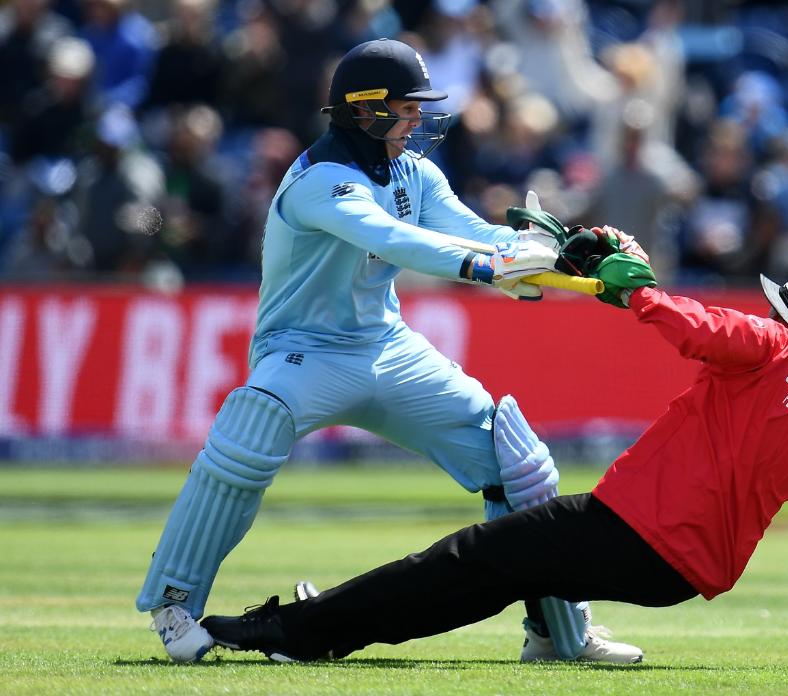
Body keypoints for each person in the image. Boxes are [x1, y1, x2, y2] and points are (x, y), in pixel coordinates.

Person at [138, 38, 642, 665]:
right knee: (249, 432)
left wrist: (559, 252)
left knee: (518, 463)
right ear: (366, 110)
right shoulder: (318, 183)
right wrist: (492, 267)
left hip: (385, 345)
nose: (416, 122)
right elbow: (395, 239)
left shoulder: (414, 172)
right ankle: (175, 605)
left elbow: (476, 232)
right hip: (302, 351)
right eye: (405, 110)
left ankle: (558, 633)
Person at [198, 258, 788, 662]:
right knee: (495, 573)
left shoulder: (767, 346)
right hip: (683, 577)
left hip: (630, 528)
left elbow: (700, 328)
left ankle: (297, 633)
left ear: (786, 315)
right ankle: (540, 635)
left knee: (467, 559)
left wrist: (633, 294)